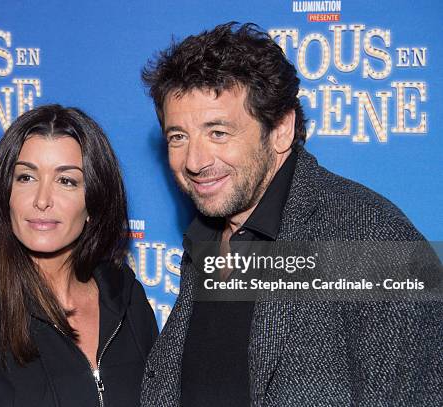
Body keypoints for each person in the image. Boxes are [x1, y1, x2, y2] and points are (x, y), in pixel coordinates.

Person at [139, 22, 442, 406]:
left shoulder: (369, 238)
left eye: (218, 132)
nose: (195, 162)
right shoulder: (205, 239)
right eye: (178, 137)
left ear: (281, 130)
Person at [0, 105, 158, 407]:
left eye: (66, 181)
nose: (42, 200)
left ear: (94, 201)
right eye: (26, 178)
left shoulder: (125, 299)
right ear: (5, 194)